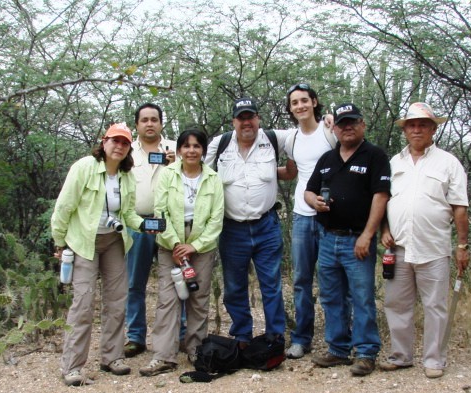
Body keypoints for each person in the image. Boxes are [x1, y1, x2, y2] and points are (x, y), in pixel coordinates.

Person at [52, 123, 146, 386]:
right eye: (114, 141)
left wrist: (146, 226)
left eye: (124, 143)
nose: (119, 146)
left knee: (117, 301)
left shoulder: (127, 176)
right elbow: (64, 207)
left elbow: (127, 214)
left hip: (114, 241)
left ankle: (111, 357)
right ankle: (72, 366)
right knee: (83, 302)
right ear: (103, 142)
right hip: (84, 242)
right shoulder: (84, 168)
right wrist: (60, 242)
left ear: (129, 148)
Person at [380, 102, 469, 379]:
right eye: (411, 124)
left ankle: (434, 360)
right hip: (398, 248)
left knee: (435, 306)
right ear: (405, 130)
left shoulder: (448, 163)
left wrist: (462, 246)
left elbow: (460, 208)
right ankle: (401, 355)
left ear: (433, 129)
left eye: (422, 124)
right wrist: (384, 229)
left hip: (433, 247)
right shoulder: (394, 162)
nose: (416, 129)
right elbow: (383, 200)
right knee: (396, 303)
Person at [304, 103, 391, 376]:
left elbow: (381, 196)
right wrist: (314, 202)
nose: (347, 127)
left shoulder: (374, 156)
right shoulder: (328, 159)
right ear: (336, 128)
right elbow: (309, 191)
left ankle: (365, 352)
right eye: (342, 123)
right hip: (328, 239)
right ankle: (338, 349)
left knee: (362, 297)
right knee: (331, 297)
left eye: (352, 122)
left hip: (358, 240)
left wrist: (368, 234)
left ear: (362, 124)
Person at [204, 97, 293, 346]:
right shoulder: (219, 145)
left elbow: (307, 134)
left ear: (258, 119)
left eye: (251, 117)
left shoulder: (275, 138)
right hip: (232, 228)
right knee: (234, 287)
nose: (247, 122)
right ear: (234, 121)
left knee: (271, 285)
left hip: (267, 226)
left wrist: (326, 121)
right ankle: (242, 335)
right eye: (241, 118)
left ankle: (275, 336)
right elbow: (196, 171)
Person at [140, 129, 224, 376]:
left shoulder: (213, 179)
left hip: (202, 246)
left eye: (197, 146)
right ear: (178, 150)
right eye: (186, 146)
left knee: (199, 298)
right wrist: (176, 245)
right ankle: (164, 355)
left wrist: (194, 246)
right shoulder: (168, 175)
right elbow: (160, 210)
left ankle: (195, 349)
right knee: (168, 299)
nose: (191, 151)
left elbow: (216, 219)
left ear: (203, 151)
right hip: (170, 245)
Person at [277, 83, 337, 359]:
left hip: (331, 216)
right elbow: (291, 173)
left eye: (304, 100)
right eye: (294, 103)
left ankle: (339, 339)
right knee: (301, 279)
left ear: (314, 102)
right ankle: (302, 338)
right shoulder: (292, 139)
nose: (300, 106)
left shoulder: (329, 131)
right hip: (302, 215)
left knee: (333, 279)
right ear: (290, 108)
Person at [124, 103, 177, 358]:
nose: (149, 124)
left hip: (170, 225)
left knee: (177, 280)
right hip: (137, 224)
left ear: (161, 123)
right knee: (135, 282)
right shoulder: (126, 151)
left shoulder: (175, 148)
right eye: (144, 119)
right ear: (137, 124)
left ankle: (180, 332)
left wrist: (175, 164)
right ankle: (135, 336)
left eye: (154, 119)